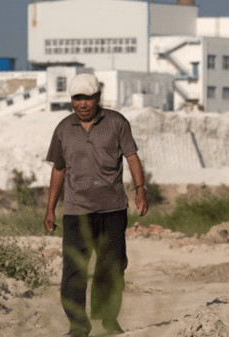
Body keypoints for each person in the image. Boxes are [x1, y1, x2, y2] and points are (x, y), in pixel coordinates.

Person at [44, 73, 149, 337]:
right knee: (74, 270)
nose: (82, 104)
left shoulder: (116, 123)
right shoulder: (63, 129)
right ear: (71, 100)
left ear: (97, 98)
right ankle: (78, 326)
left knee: (111, 267)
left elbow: (132, 157)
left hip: (112, 209)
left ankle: (106, 321)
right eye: (77, 99)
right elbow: (58, 169)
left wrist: (140, 190)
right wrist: (50, 208)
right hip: (76, 212)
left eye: (87, 98)